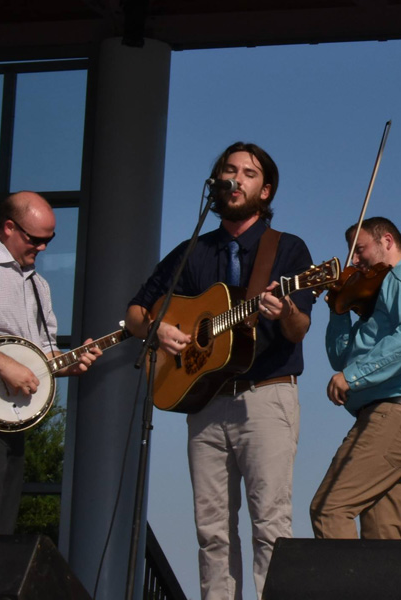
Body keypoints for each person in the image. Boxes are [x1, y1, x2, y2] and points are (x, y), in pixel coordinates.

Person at [126, 142, 316, 599]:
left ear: (265, 190)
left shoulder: (287, 250)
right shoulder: (192, 250)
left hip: (265, 398)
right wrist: (158, 330)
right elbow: (135, 312)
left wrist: (283, 308)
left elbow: (299, 328)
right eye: (228, 171)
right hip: (205, 400)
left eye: (248, 173)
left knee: (271, 526)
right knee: (212, 531)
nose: (236, 179)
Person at [0, 191, 102, 534]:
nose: (42, 248)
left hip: (10, 417)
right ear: (9, 227)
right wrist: (5, 366)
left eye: (49, 240)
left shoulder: (39, 284)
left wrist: (68, 362)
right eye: (36, 239)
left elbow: (42, 353)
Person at [310, 216, 401, 539]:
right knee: (381, 528)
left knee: (329, 508)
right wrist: (338, 307)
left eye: (360, 251)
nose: (355, 261)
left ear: (387, 241)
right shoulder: (379, 290)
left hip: (393, 414)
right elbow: (341, 357)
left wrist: (352, 377)